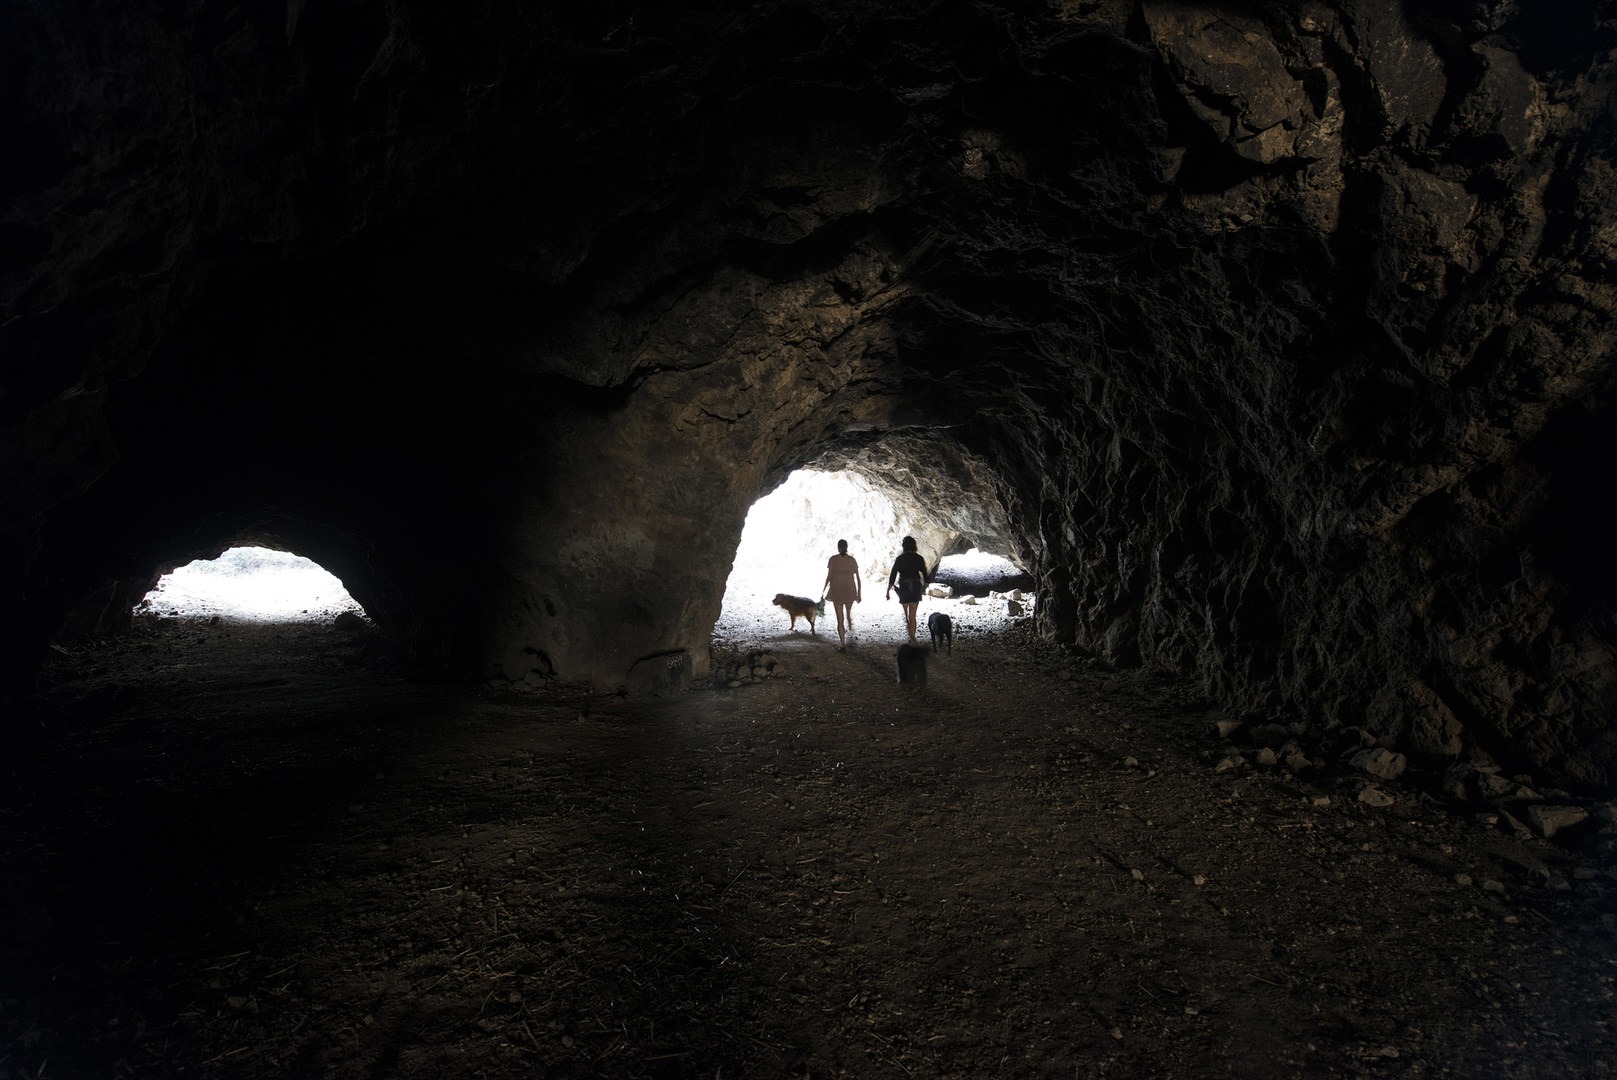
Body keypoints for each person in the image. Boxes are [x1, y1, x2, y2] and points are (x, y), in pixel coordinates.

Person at [885, 535, 927, 644]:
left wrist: (888, 590)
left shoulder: (900, 559)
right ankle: (912, 637)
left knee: (906, 615)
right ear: (914, 546)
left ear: (903, 546)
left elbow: (893, 574)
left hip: (904, 588)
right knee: (912, 615)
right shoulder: (919, 558)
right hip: (915, 588)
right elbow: (925, 574)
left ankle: (911, 636)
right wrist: (926, 586)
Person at [822, 539, 862, 650]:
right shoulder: (852, 560)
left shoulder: (833, 560)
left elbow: (829, 577)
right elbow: (858, 578)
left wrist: (823, 590)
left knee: (840, 619)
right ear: (847, 547)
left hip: (837, 591)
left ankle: (843, 644)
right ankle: (849, 619)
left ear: (838, 547)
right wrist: (859, 593)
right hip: (850, 590)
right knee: (848, 610)